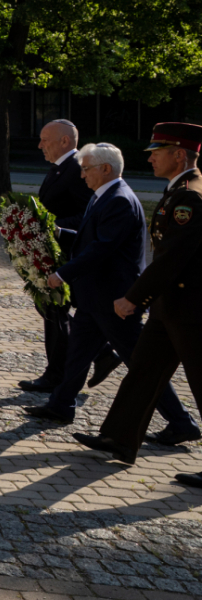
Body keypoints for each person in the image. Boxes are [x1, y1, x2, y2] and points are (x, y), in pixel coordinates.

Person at [23, 143, 200, 440]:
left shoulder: (118, 199)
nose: (81, 175)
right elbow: (93, 236)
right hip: (97, 296)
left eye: (86, 169)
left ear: (105, 169)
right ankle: (61, 404)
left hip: (114, 298)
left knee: (142, 364)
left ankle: (182, 423)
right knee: (78, 353)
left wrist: (62, 274)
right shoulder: (105, 195)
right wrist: (57, 233)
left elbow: (102, 248)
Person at [74, 122, 202, 475]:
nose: (150, 159)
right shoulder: (180, 189)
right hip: (170, 306)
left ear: (179, 155)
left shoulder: (189, 195)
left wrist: (134, 298)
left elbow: (174, 258)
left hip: (191, 308)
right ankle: (119, 437)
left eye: (157, 153)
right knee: (143, 373)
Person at [22, 120, 123, 393]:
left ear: (65, 141)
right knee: (55, 311)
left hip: (69, 256)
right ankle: (100, 355)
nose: (40, 145)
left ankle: (58, 375)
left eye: (45, 139)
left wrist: (48, 228)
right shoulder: (61, 168)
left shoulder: (77, 168)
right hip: (56, 255)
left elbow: (87, 216)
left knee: (56, 311)